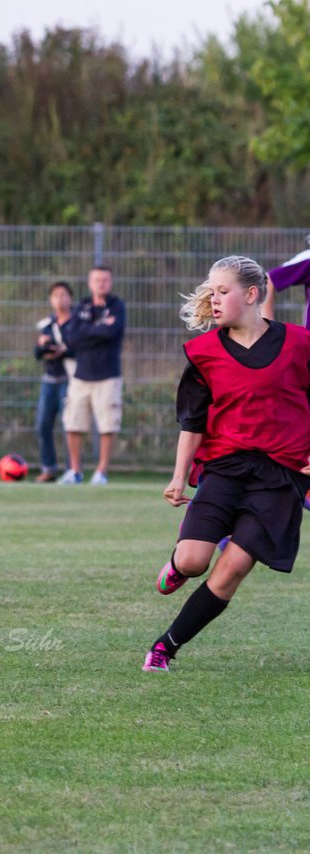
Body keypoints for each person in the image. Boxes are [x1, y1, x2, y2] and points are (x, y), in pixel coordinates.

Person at [144, 256, 310, 673]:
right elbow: (193, 422)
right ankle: (179, 563)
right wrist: (179, 477)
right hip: (225, 470)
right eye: (210, 292)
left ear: (252, 294)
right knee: (195, 561)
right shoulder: (204, 353)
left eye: (222, 291)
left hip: (279, 477)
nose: (212, 300)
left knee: (233, 567)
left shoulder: (300, 343)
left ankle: (165, 647)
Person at [58, 266, 126, 485]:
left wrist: (88, 331)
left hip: (108, 375)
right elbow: (71, 337)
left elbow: (112, 332)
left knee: (108, 425)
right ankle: (75, 471)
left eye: (105, 280)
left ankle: (101, 472)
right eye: (97, 280)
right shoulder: (82, 307)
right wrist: (96, 330)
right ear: (90, 282)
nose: (101, 284)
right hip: (81, 375)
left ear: (111, 282)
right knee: (73, 422)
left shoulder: (117, 307)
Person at [33, 281, 74, 482]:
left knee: (70, 425)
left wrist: (63, 351)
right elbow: (37, 353)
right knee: (42, 424)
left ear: (70, 298)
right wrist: (44, 348)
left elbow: (80, 349)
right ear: (51, 299)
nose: (60, 299)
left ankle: (71, 469)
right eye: (56, 295)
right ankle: (48, 468)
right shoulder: (46, 325)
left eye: (64, 295)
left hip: (69, 379)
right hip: (49, 380)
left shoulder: (76, 323)